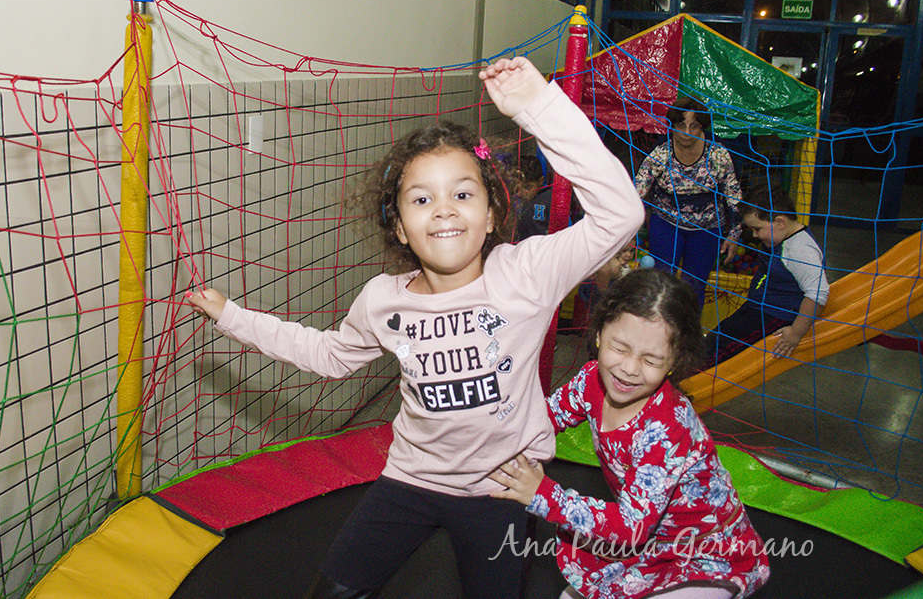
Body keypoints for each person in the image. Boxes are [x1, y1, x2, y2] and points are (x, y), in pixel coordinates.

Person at [187, 56, 644, 599]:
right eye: (422, 199)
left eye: (463, 194)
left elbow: (621, 214)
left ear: (493, 214)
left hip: (500, 491)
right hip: (409, 481)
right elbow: (331, 355)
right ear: (401, 228)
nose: (444, 211)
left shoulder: (526, 274)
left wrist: (537, 107)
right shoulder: (383, 299)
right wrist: (234, 317)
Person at [491, 269, 770, 599]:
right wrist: (488, 428)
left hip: (707, 552)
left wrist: (542, 493)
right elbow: (542, 418)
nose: (629, 369)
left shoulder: (667, 429)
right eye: (620, 348)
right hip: (649, 538)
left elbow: (630, 528)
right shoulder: (592, 379)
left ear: (674, 362)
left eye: (651, 359)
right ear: (598, 335)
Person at [700, 186, 829, 369]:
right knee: (717, 336)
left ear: (780, 222)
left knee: (724, 348)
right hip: (759, 305)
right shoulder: (781, 237)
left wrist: (796, 332)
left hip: (776, 314)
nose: (754, 235)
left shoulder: (800, 250)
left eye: (757, 229)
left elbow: (818, 293)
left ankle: (694, 378)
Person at [634, 98, 742, 308]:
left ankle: (687, 334)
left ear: (702, 127)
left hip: (707, 228)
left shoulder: (718, 154)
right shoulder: (662, 152)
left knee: (694, 287)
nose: (686, 132)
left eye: (694, 126)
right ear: (672, 126)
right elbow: (639, 187)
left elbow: (733, 194)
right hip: (666, 223)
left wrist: (734, 234)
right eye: (681, 125)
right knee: (661, 283)